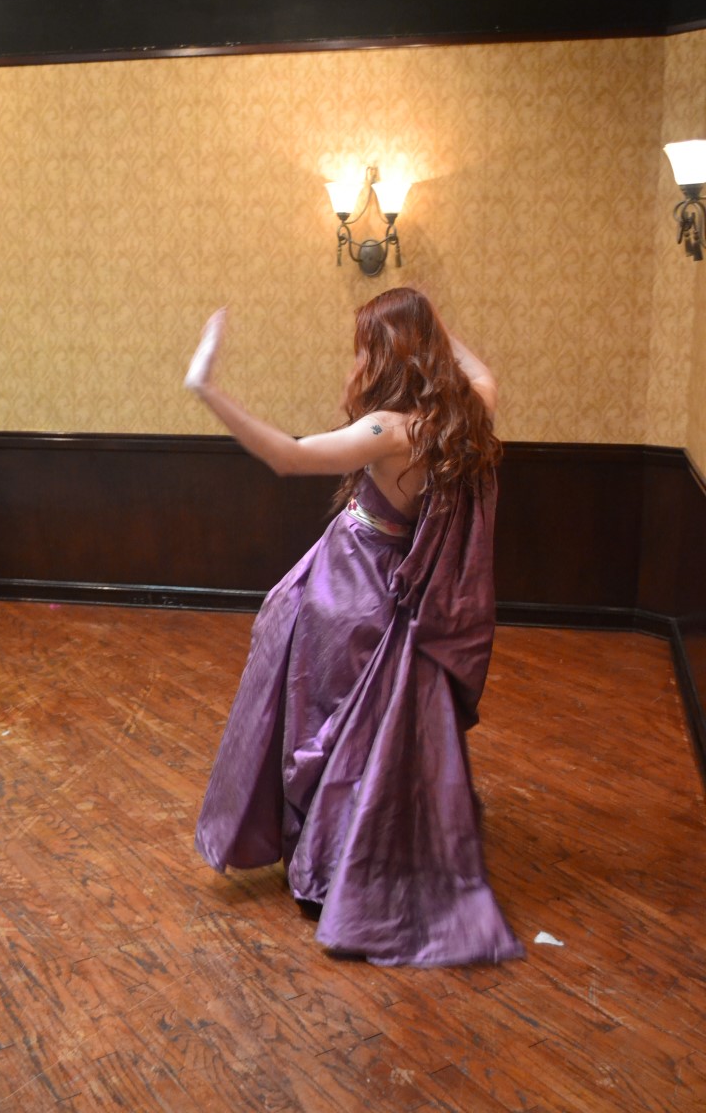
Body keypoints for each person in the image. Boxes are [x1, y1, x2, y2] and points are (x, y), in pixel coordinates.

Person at [187, 287, 523, 967]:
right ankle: (350, 844)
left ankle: (332, 858)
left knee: (330, 724)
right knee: (365, 733)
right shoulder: (464, 418)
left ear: (387, 354)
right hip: (389, 588)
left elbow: (287, 455)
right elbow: (483, 374)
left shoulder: (389, 432)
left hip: (352, 591)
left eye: (366, 345)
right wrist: (430, 324)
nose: (358, 358)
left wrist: (206, 388)